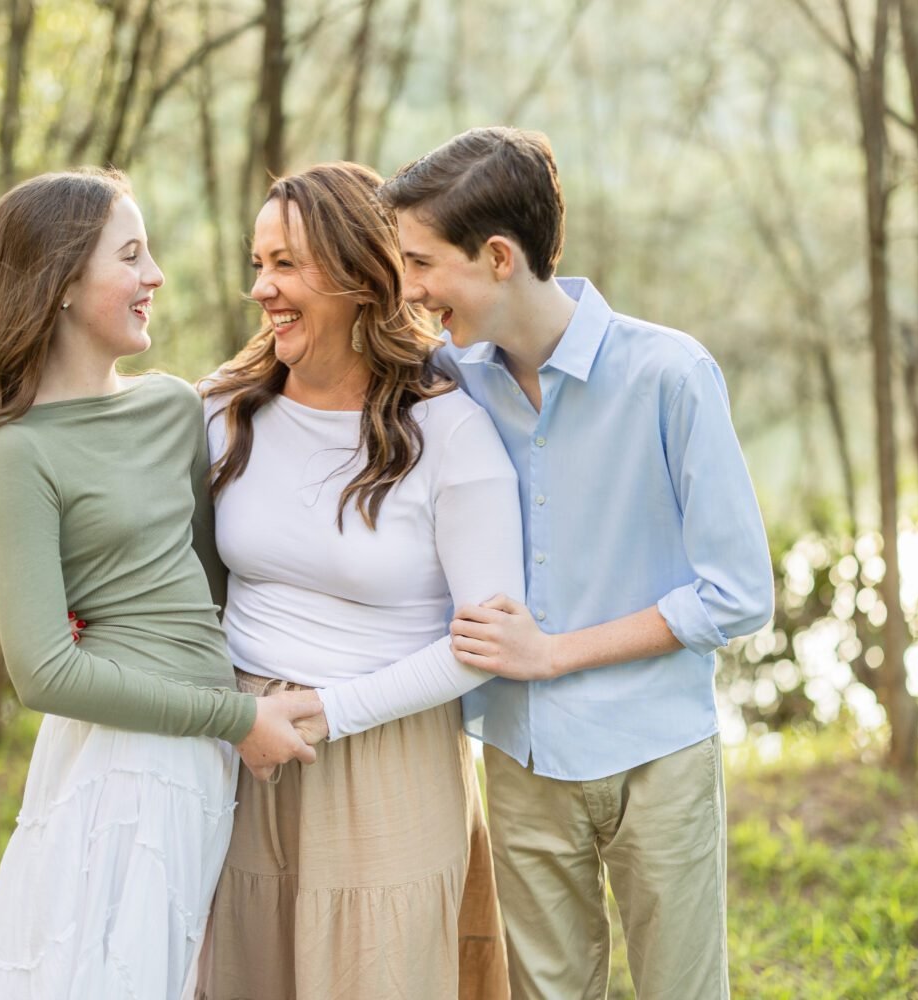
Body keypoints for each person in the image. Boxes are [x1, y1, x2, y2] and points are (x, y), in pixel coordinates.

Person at [379, 127, 775, 1000]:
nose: (409, 290)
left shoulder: (670, 375)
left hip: (658, 756)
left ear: (495, 257)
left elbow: (739, 595)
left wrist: (552, 652)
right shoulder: (449, 380)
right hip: (519, 761)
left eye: (420, 263)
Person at [0, 167, 321, 999]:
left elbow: (212, 591)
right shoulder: (15, 453)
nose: (155, 277)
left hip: (206, 758)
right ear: (62, 283)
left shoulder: (175, 409)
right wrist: (235, 718)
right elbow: (44, 674)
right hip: (123, 757)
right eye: (132, 256)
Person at [195, 161, 522, 1000]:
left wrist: (331, 713)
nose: (261, 288)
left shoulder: (450, 433)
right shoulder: (222, 414)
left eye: (287, 265)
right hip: (238, 750)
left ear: (361, 277)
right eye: (258, 262)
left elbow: (485, 645)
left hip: (387, 760)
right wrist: (231, 710)